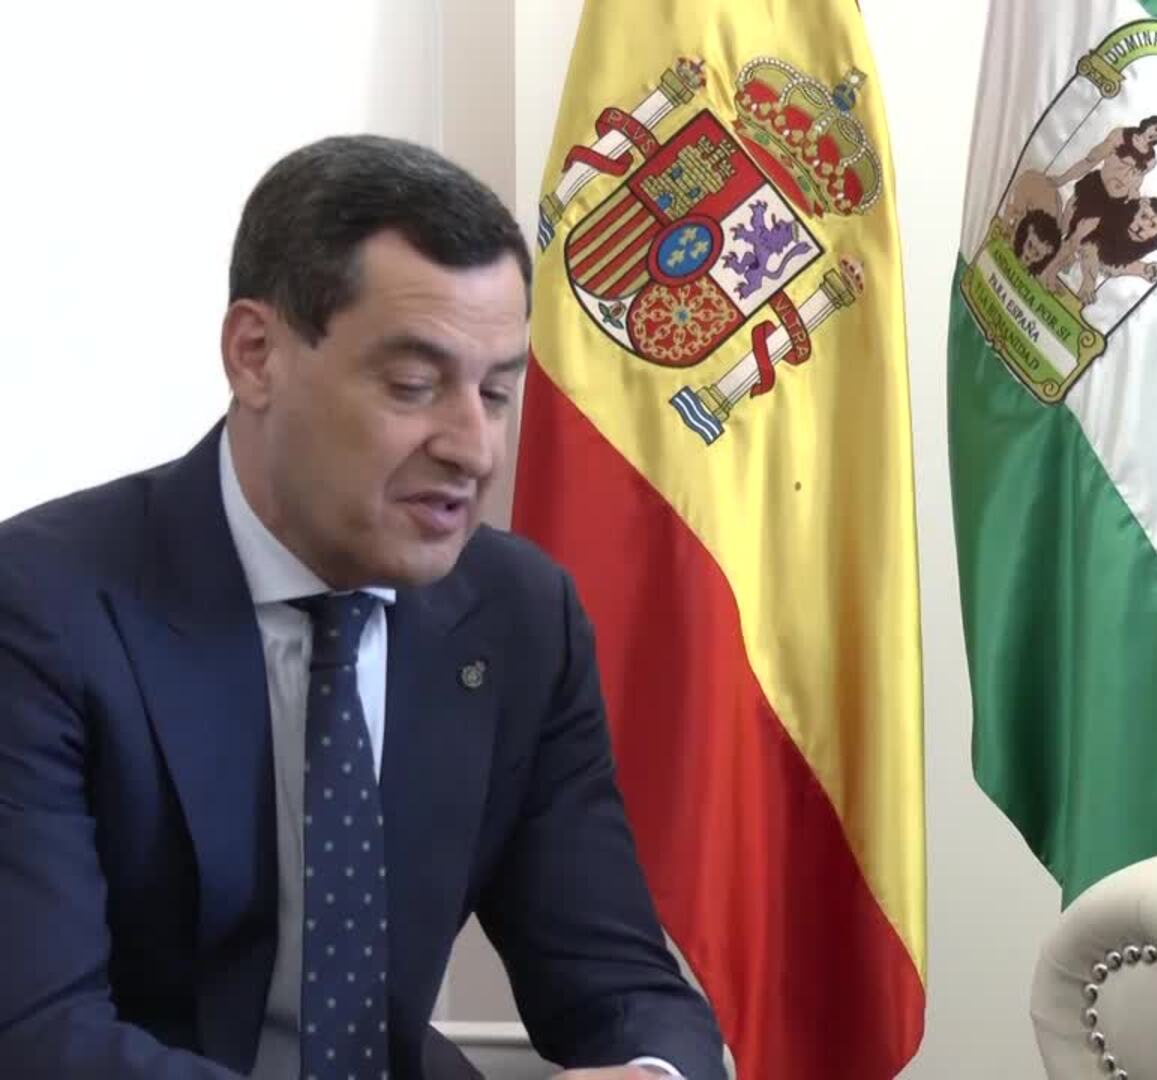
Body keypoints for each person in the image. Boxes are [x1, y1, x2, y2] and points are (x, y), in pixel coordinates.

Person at [0, 135, 726, 1079]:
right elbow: (39, 1038)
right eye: (414, 386)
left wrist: (651, 1073)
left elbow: (620, 987)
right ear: (256, 355)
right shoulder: (42, 605)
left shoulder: (519, 615)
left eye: (496, 392)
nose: (473, 449)